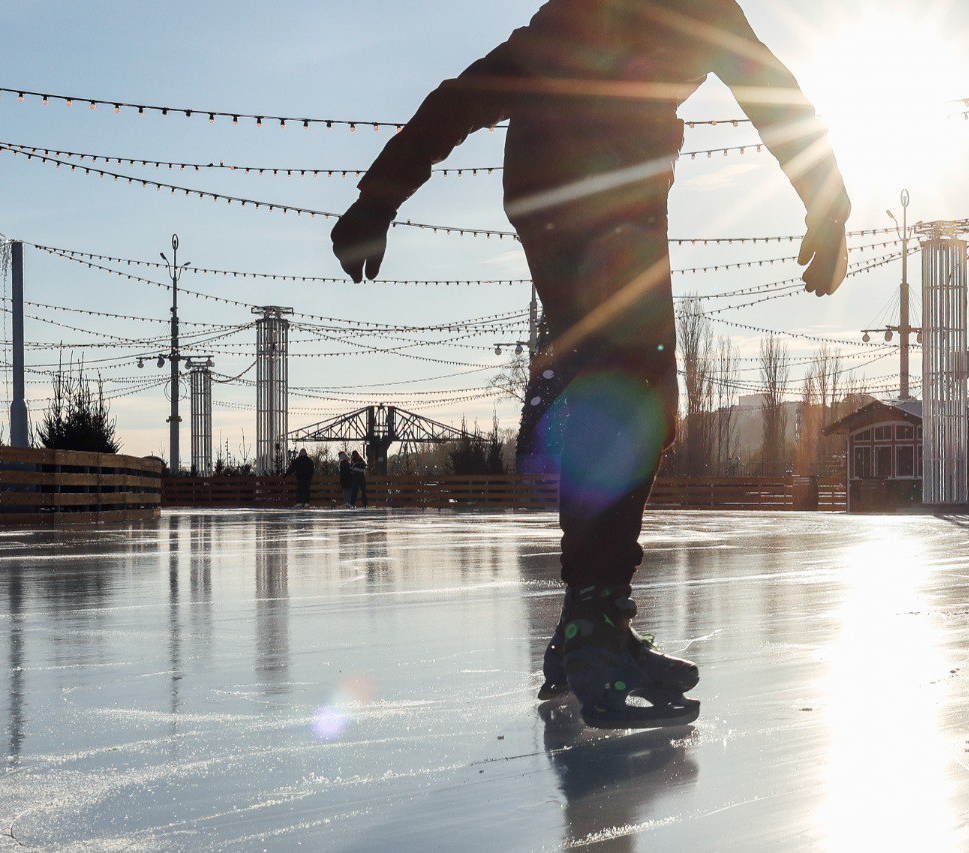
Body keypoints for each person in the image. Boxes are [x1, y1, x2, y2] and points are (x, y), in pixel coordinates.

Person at [332, 0, 850, 728]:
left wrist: (379, 198)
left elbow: (468, 93)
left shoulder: (573, 15)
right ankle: (594, 625)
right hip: (610, 195)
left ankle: (585, 618)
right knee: (637, 394)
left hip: (545, 191)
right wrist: (827, 203)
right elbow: (772, 92)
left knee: (622, 388)